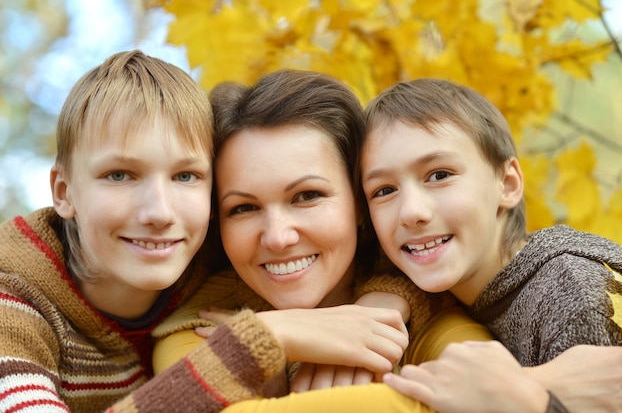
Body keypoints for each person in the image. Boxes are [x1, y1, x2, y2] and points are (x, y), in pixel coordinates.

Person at [0, 52, 408, 413]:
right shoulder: (12, 305)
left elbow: (394, 252)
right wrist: (265, 339)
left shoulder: (203, 258)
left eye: (185, 175)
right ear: (63, 191)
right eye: (119, 175)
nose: (159, 212)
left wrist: (388, 299)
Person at [152, 69, 491, 390]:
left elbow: (489, 393)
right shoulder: (197, 324)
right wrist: (265, 339)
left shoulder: (423, 301)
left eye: (307, 196)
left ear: (360, 201)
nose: (278, 237)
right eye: (244, 208)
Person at [359, 77, 622, 410]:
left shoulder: (572, 295)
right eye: (384, 190)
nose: (411, 212)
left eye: (439, 174)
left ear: (508, 184)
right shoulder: (451, 280)